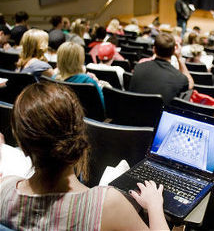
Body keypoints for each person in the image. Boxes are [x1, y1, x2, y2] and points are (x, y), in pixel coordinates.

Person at [0, 82, 170, 230]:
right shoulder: (108, 206)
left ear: (22, 144)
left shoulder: (3, 189)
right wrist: (154, 206)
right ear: (80, 134)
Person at [130, 33, 194, 105]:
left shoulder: (139, 67)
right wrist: (179, 57)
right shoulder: (179, 78)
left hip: (130, 113)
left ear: (154, 49)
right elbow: (190, 84)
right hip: (158, 115)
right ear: (173, 52)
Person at [53, 42, 105, 108]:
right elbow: (102, 106)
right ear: (80, 60)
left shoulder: (52, 78)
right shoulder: (88, 81)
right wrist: (97, 84)